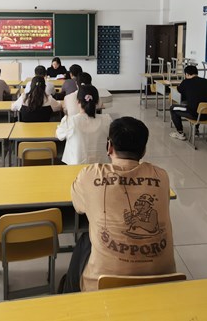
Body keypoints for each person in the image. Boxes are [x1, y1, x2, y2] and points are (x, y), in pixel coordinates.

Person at [62, 117, 175, 292]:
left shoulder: (90, 175)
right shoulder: (161, 176)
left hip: (102, 285)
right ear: (144, 150)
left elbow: (79, 206)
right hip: (163, 282)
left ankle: (68, 294)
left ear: (109, 147)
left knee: (86, 239)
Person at [56, 85, 112, 165]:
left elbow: (59, 136)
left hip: (75, 168)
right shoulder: (107, 120)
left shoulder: (69, 121)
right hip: (100, 168)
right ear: (97, 102)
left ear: (77, 101)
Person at [168, 65, 207, 141]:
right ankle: (196, 130)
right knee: (197, 104)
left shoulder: (186, 82)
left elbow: (179, 89)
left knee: (172, 108)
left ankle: (180, 133)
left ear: (186, 74)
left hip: (194, 114)